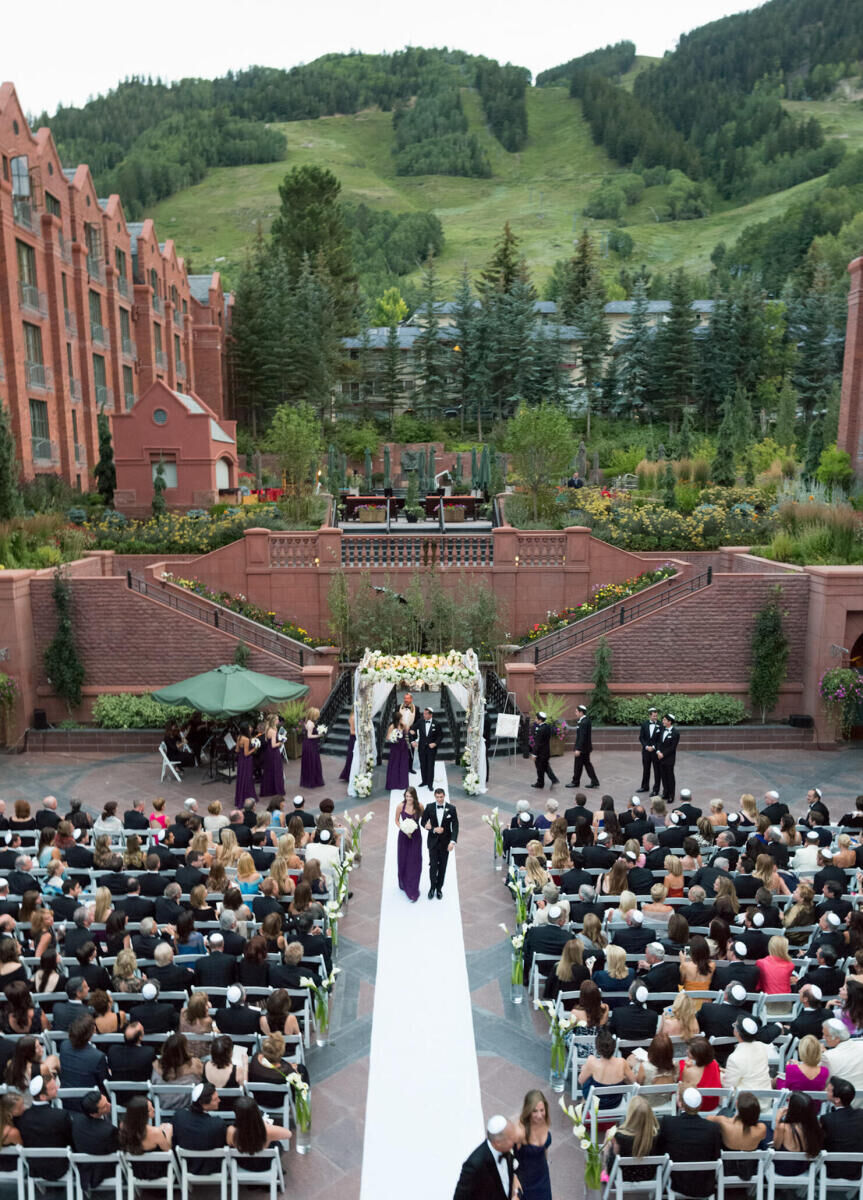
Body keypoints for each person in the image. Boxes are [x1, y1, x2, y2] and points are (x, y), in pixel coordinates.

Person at [655, 1087, 722, 1198]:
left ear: (681, 1104)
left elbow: (660, 1150)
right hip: (704, 1185)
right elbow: (716, 1156)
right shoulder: (712, 1128)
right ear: (700, 1106)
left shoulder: (668, 1123)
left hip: (676, 1183)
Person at [453, 1113, 519, 1200]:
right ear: (498, 1143)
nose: (515, 1140)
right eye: (511, 1138)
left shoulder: (507, 1149)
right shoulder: (474, 1165)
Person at [172, 1081, 226, 1174]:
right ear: (204, 1104)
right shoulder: (218, 1124)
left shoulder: (179, 1116)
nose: (219, 1100)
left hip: (186, 1167)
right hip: (213, 1168)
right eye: (215, 1099)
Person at [225, 1095, 292, 1166]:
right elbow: (288, 1134)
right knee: (277, 1144)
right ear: (256, 1111)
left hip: (243, 1164)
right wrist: (267, 1124)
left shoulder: (231, 1131)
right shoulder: (266, 1130)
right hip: (265, 1164)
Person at [119, 1095, 173, 1180]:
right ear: (143, 1115)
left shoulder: (123, 1127)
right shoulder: (156, 1133)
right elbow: (168, 1151)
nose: (154, 1110)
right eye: (150, 1110)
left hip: (135, 1170)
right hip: (156, 1171)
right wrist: (168, 1133)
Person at [578, 1027, 634, 1107]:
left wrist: (585, 1069)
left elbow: (581, 1080)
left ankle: (583, 1105)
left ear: (597, 1048)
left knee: (587, 1075)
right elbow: (633, 1081)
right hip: (615, 1102)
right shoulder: (622, 1062)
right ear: (614, 1047)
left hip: (594, 1101)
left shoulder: (592, 1062)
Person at [609, 1095, 659, 1183]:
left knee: (609, 1141)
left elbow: (615, 1155)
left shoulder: (619, 1136)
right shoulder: (656, 1135)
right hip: (649, 1174)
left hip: (623, 1174)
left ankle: (605, 1173)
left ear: (630, 1114)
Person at [774, 1089, 825, 1174]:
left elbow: (776, 1145)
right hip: (802, 1168)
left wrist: (777, 1120)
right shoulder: (815, 1126)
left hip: (783, 1168)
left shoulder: (783, 1127)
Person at [820, 1078, 863, 1176]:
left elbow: (822, 1144)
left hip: (831, 1171)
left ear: (837, 1099)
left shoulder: (827, 1119)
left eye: (829, 1090)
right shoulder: (861, 1115)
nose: (826, 1090)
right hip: (857, 1171)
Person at [421, 787, 458, 900]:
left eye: (441, 797)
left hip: (445, 843)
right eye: (437, 797)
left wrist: (452, 842)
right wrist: (433, 829)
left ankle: (439, 888)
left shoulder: (451, 809)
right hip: (433, 842)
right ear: (435, 797)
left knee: (442, 867)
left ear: (444, 796)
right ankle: (432, 887)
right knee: (433, 866)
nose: (439, 799)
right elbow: (423, 822)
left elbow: (455, 826)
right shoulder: (429, 807)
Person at [515, 1090, 551, 1200]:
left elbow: (544, 1148)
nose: (539, 1115)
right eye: (534, 1111)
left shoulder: (544, 1121)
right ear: (528, 1111)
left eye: (542, 1110)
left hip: (542, 1175)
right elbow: (507, 1155)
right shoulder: (520, 1131)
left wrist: (546, 1162)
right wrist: (514, 1179)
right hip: (527, 1181)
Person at [722, 1016, 771, 1093]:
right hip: (766, 1099)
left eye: (735, 1025)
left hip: (745, 1102)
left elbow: (728, 1086)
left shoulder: (734, 1058)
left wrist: (720, 1075)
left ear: (737, 1032)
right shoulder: (761, 1046)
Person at [396, 786, 423, 903]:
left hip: (416, 837)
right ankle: (403, 881)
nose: (408, 798)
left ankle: (413, 889)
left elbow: (425, 818)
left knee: (415, 861)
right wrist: (403, 828)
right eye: (407, 796)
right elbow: (396, 820)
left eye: (410, 796)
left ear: (414, 796)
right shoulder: (400, 806)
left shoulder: (420, 806)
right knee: (403, 859)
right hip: (403, 836)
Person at [678, 1039, 722, 1111]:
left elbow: (682, 1087)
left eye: (689, 1050)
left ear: (697, 1056)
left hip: (693, 1105)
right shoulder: (714, 1063)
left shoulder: (687, 1069)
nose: (687, 1051)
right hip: (712, 1104)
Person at [567, 704, 598, 788]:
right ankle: (594, 781)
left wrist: (578, 749)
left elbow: (582, 737)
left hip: (582, 749)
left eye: (576, 711)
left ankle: (575, 782)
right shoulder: (585, 720)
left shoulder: (583, 722)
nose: (575, 713)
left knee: (578, 765)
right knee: (587, 765)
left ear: (581, 712)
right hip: (586, 748)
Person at [413, 706, 442, 792]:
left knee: (430, 766)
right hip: (422, 748)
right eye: (423, 713)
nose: (424, 715)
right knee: (423, 765)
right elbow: (413, 729)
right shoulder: (420, 721)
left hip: (431, 749)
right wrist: (413, 740)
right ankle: (424, 781)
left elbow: (440, 736)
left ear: (430, 715)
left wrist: (435, 743)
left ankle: (430, 784)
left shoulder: (436, 723)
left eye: (426, 714)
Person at [530, 712, 559, 791]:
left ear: (540, 720)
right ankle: (553, 779)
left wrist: (534, 754)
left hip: (541, 753)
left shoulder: (541, 729)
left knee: (540, 768)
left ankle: (540, 783)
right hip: (546, 752)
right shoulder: (547, 726)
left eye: (536, 718)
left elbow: (538, 743)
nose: (535, 720)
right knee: (545, 767)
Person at [260, 714, 285, 799]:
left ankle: (270, 789)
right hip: (273, 752)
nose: (278, 720)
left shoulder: (269, 729)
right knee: (276, 769)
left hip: (268, 752)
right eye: (277, 719)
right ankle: (276, 789)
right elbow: (274, 745)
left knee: (269, 770)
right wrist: (281, 742)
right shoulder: (273, 731)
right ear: (273, 721)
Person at [637, 707, 661, 795]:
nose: (655, 718)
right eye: (654, 716)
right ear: (650, 716)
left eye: (656, 716)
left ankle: (656, 789)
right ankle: (644, 786)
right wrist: (646, 747)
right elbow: (641, 737)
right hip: (646, 751)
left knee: (657, 771)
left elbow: (660, 739)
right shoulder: (644, 724)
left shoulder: (660, 725)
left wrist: (654, 747)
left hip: (655, 752)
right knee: (646, 769)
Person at [655, 713, 679, 802]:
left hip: (669, 759)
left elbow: (672, 748)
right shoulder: (662, 730)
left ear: (669, 722)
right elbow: (658, 742)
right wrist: (657, 751)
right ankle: (665, 793)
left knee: (670, 777)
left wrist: (663, 754)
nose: (663, 721)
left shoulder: (675, 733)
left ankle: (671, 795)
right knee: (663, 776)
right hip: (660, 757)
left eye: (665, 720)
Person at [384, 714, 411, 792]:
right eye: (401, 718)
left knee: (403, 764)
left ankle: (402, 783)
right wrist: (393, 738)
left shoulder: (402, 725)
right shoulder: (392, 726)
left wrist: (406, 725)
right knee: (395, 763)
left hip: (403, 746)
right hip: (395, 747)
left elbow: (406, 732)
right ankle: (393, 783)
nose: (402, 719)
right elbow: (388, 737)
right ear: (398, 719)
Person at [234, 724, 258, 807]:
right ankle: (247, 797)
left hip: (240, 760)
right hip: (246, 761)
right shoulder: (246, 739)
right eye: (249, 727)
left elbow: (236, 750)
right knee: (247, 778)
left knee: (241, 778)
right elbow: (246, 753)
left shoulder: (239, 737)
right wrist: (254, 749)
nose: (251, 728)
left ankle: (239, 797)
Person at [338, 708, 356, 783]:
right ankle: (348, 774)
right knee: (351, 755)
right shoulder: (353, 717)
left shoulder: (355, 716)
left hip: (355, 738)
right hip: (353, 738)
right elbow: (352, 731)